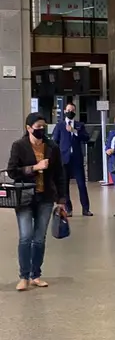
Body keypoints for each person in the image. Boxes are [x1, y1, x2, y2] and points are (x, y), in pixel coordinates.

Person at [7, 113, 67, 291]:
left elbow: (60, 174)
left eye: (44, 126)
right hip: (24, 198)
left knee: (39, 239)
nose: (41, 130)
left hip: (45, 198)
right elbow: (12, 171)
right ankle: (23, 276)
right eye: (38, 127)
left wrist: (61, 199)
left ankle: (36, 275)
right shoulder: (19, 146)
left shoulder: (52, 147)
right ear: (28, 128)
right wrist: (34, 168)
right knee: (26, 237)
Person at [52, 102, 92, 216]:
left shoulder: (80, 125)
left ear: (75, 112)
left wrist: (74, 131)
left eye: (72, 110)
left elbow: (86, 138)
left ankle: (86, 208)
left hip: (77, 160)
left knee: (81, 185)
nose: (70, 112)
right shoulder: (59, 125)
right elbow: (55, 140)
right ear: (65, 111)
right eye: (68, 110)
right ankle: (68, 209)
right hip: (64, 160)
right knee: (64, 186)